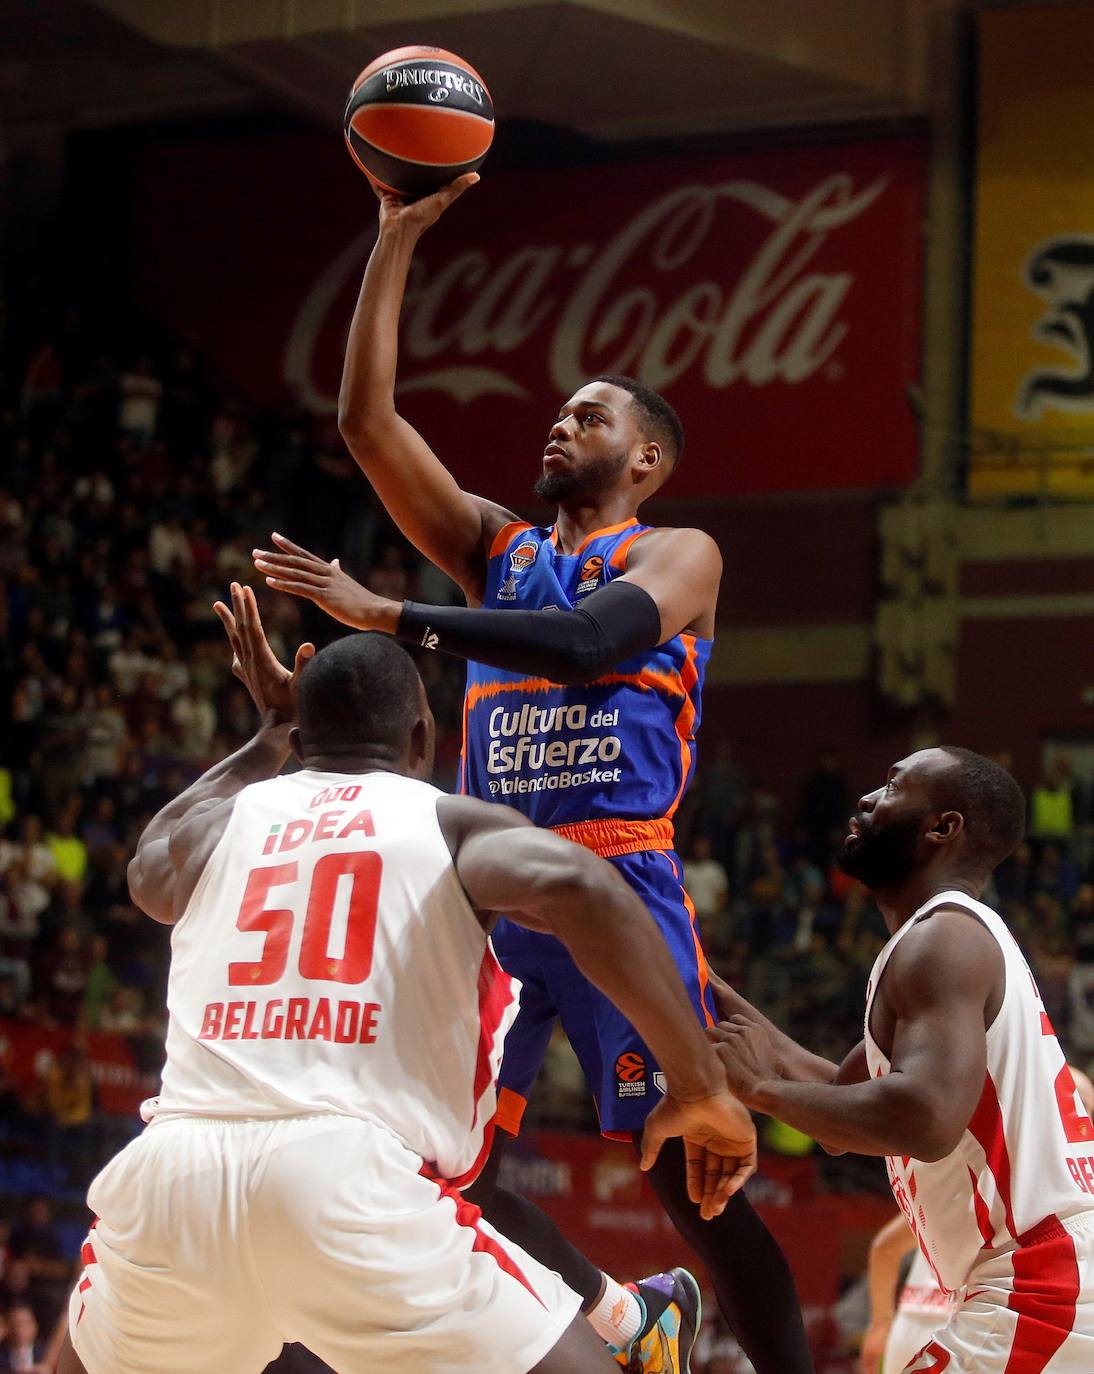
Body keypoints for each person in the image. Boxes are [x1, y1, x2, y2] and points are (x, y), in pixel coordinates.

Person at [252, 172, 813, 1374]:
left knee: (689, 1177)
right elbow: (367, 426)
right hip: (491, 899)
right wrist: (393, 240)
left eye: (591, 418)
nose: (560, 426)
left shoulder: (676, 552)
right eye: (557, 413)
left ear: (647, 456)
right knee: (426, 1172)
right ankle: (625, 1319)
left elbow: (595, 642)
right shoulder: (491, 550)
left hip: (620, 888)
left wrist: (392, 614)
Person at [58, 584, 755, 1374]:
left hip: (173, 1172)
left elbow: (149, 865)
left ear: (307, 734)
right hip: (351, 1184)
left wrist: (269, 734)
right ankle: (636, 1325)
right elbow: (588, 887)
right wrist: (698, 1082)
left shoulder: (222, 825)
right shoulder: (447, 820)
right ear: (423, 736)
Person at [711, 746, 1094, 1372]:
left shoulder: (941, 942)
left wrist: (759, 1091)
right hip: (1046, 1279)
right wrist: (716, 1005)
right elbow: (840, 1100)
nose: (867, 798)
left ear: (942, 827)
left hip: (1037, 1284)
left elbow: (923, 1118)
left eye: (893, 786)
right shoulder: (946, 943)